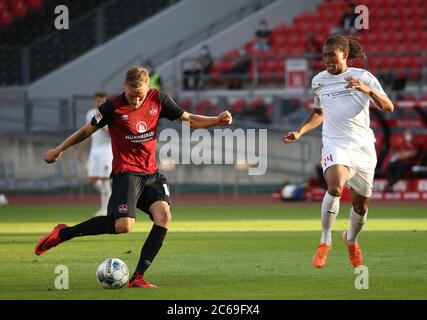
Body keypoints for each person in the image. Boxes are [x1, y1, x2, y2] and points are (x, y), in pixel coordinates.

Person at [35, 66, 233, 288]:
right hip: (126, 173)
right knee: (123, 226)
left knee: (164, 216)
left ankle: (138, 277)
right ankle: (64, 233)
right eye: (131, 95)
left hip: (151, 173)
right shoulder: (112, 107)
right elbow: (86, 131)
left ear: (148, 87)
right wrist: (59, 149)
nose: (136, 100)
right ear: (124, 87)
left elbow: (188, 119)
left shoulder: (158, 99)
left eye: (140, 95)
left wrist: (216, 120)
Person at [283, 34, 394, 269]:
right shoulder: (319, 81)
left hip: (363, 148)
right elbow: (319, 112)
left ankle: (351, 240)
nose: (326, 60)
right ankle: (325, 241)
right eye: (324, 56)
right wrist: (300, 132)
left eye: (331, 55)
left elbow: (388, 106)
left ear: (344, 54)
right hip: (335, 143)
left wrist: (366, 90)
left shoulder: (363, 77)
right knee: (334, 186)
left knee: (360, 206)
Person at [76, 92, 113, 217]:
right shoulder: (90, 114)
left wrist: (101, 125)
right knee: (92, 180)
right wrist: (80, 150)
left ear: (106, 101)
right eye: (98, 101)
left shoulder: (110, 113)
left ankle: (105, 209)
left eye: (102, 101)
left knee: (104, 180)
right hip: (94, 151)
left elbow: (113, 133)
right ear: (94, 102)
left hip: (106, 151)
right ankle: (109, 195)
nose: (100, 103)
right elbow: (87, 133)